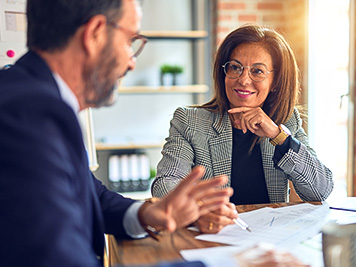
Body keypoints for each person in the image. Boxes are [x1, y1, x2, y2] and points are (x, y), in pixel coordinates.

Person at [0, 0, 235, 266]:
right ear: (95, 33)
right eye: (130, 41)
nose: (132, 62)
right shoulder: (28, 115)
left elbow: (86, 192)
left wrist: (147, 213)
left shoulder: (31, 98)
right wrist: (233, 263)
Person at [151, 24, 334, 234]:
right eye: (235, 67)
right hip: (211, 238)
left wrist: (278, 135)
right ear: (224, 72)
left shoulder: (286, 121)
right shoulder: (190, 121)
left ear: (275, 81)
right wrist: (200, 210)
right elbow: (164, 186)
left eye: (257, 71)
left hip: (269, 240)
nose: (244, 80)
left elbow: (320, 190)